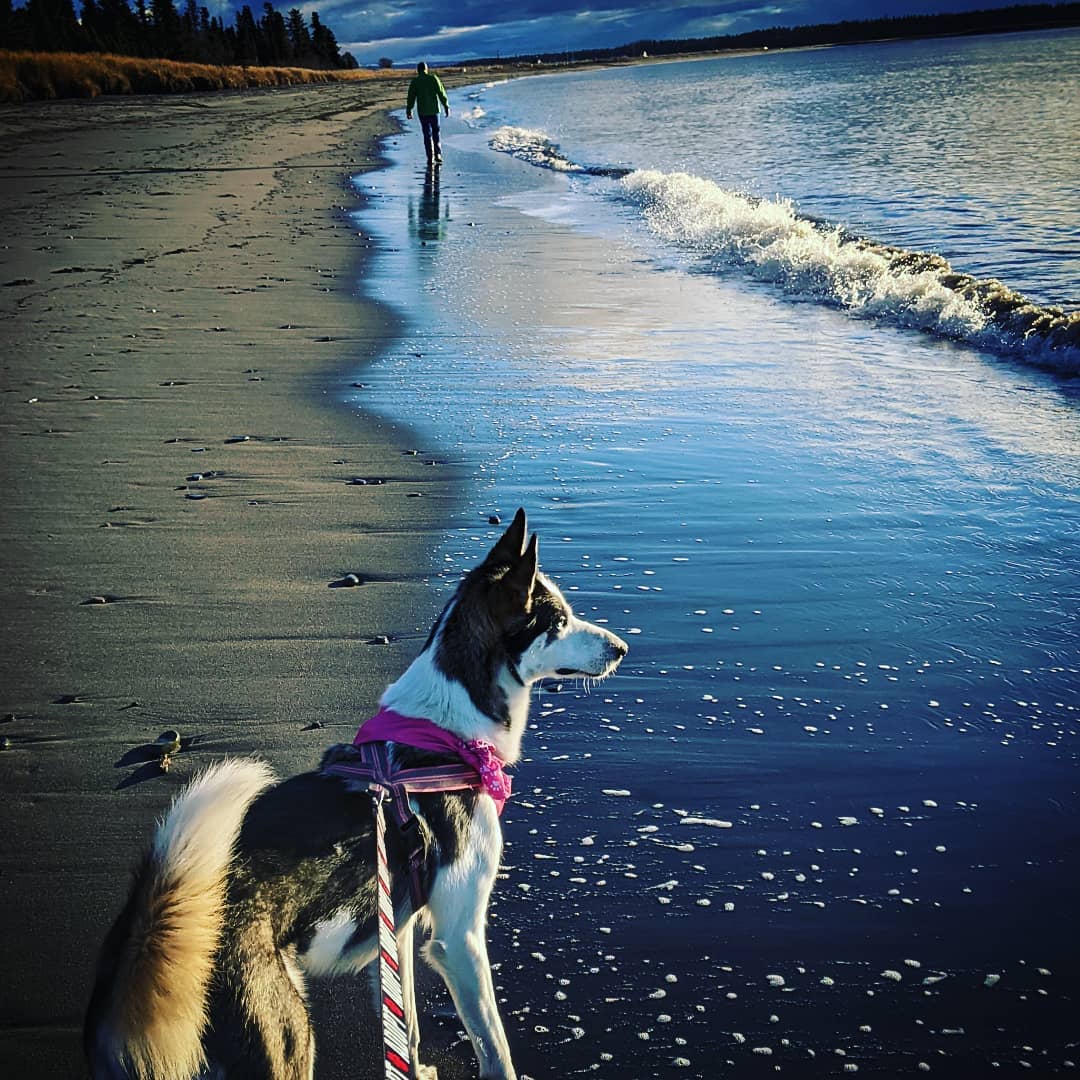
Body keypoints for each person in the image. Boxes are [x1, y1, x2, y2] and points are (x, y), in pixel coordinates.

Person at [406, 61, 450, 165]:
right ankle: (438, 155)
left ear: (418, 70)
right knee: (436, 133)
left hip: (423, 112)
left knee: (427, 134)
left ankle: (430, 157)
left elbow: (411, 97)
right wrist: (446, 105)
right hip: (434, 111)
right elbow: (441, 93)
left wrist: (409, 110)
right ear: (426, 69)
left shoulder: (415, 82)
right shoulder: (433, 78)